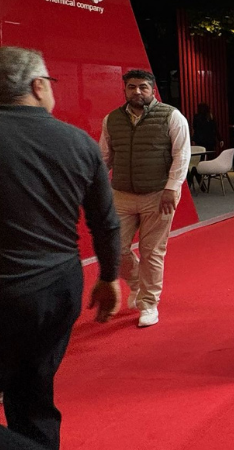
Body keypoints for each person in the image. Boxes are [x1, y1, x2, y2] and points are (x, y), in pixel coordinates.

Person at [0, 47, 121, 450]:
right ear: (38, 86)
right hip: (57, 288)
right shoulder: (79, 142)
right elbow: (105, 221)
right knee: (34, 395)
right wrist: (109, 277)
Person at [98, 69, 190, 328]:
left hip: (159, 195)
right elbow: (104, 157)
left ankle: (149, 303)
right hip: (121, 195)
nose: (137, 91)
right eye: (131, 87)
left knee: (152, 251)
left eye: (142, 87)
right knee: (115, 249)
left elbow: (181, 154)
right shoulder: (111, 119)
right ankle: (137, 281)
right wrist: (94, 186)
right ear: (124, 89)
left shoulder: (171, 116)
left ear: (153, 90)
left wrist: (172, 188)